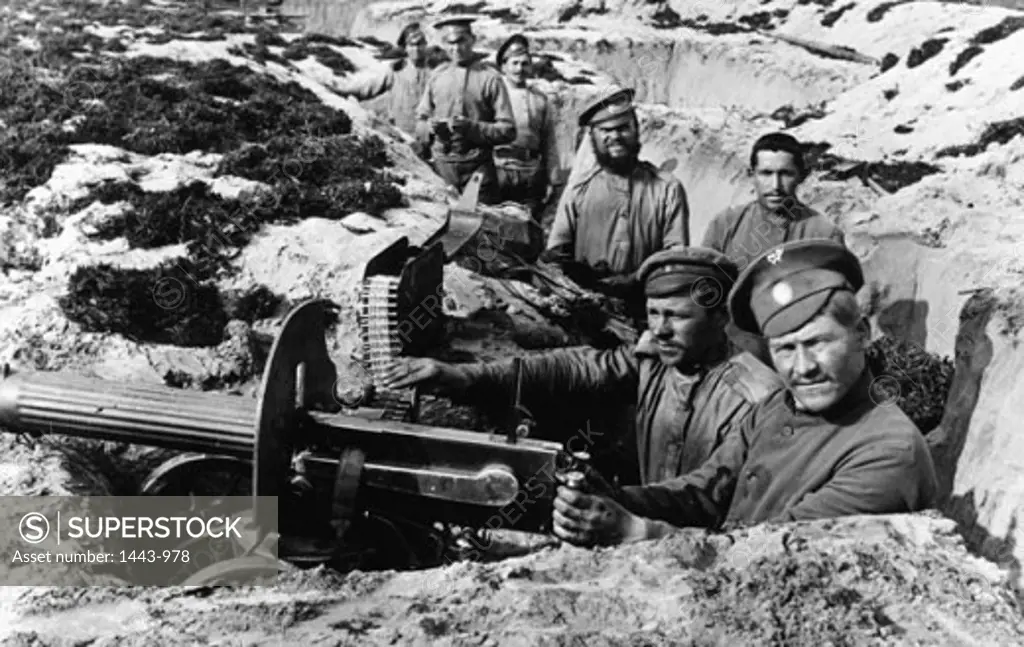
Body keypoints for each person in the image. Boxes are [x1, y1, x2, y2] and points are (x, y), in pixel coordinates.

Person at [550, 239, 939, 547]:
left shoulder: (888, 452)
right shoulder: (776, 407)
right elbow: (705, 490)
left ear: (861, 335)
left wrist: (635, 532)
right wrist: (620, 498)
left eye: (818, 342)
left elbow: (770, 555)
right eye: (785, 349)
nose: (802, 368)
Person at [381, 247, 784, 489]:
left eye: (677, 317)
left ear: (718, 320)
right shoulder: (657, 361)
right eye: (653, 314)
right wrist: (460, 376)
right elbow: (570, 368)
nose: (660, 330)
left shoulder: (755, 397)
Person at [701, 132, 846, 364]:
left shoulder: (824, 234)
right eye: (766, 173)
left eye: (785, 174)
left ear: (801, 176)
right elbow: (704, 294)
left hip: (796, 355)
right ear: (752, 175)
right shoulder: (726, 224)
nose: (775, 186)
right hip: (728, 353)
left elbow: (832, 312)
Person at [543, 86, 689, 305]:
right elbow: (555, 255)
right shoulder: (578, 189)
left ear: (636, 130)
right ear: (593, 136)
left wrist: (636, 279)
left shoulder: (667, 189)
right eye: (605, 131)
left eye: (623, 128)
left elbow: (676, 257)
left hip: (648, 304)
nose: (615, 137)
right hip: (589, 305)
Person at [414, 16, 516, 204]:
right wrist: (431, 128)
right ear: (443, 45)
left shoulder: (490, 79)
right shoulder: (437, 77)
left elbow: (508, 130)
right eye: (449, 43)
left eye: (461, 41)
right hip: (442, 171)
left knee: (485, 226)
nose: (456, 48)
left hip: (479, 172)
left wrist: (473, 128)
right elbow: (420, 122)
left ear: (472, 39)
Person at [491, 34, 561, 223]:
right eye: (514, 63)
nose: (519, 69)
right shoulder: (492, 94)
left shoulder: (540, 99)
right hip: (498, 169)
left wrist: (554, 179)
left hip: (531, 173)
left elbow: (549, 141)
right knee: (495, 225)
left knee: (528, 227)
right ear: (503, 66)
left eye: (524, 64)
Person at [354, 23, 445, 155]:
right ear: (405, 48)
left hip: (433, 140)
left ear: (426, 45)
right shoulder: (395, 70)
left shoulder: (436, 71)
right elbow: (367, 89)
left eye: (420, 44)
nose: (416, 49)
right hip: (404, 139)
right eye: (411, 45)